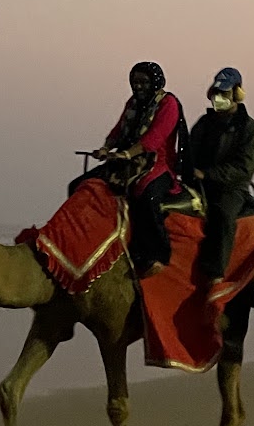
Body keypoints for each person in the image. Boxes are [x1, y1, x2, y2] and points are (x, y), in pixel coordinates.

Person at [77, 61, 186, 277]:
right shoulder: (133, 103)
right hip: (127, 162)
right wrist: (105, 148)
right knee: (81, 185)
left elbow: (154, 139)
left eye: (143, 82)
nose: (138, 87)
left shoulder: (168, 104)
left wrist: (127, 153)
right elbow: (118, 131)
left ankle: (158, 254)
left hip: (155, 164)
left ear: (155, 82)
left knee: (146, 196)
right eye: (135, 82)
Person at [185, 67, 254, 285]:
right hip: (196, 182)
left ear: (237, 94)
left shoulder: (250, 130)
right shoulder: (204, 124)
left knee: (222, 215)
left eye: (225, 95)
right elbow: (188, 152)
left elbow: (243, 169)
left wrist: (207, 174)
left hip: (230, 187)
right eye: (217, 95)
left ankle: (215, 273)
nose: (219, 99)